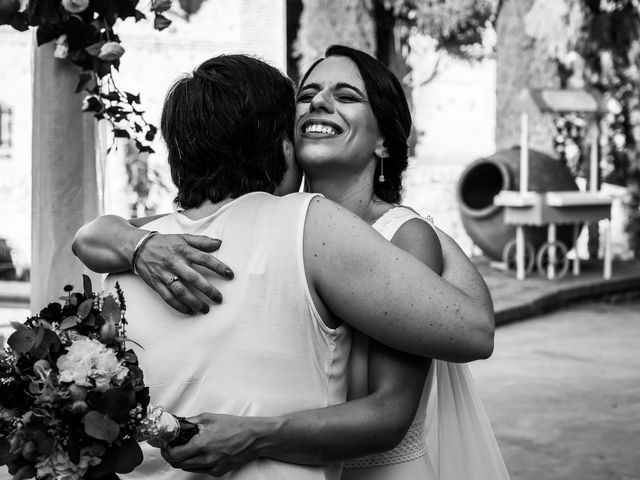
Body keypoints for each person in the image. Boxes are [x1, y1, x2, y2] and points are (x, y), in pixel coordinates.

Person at [73, 53, 494, 480]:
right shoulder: (173, 242)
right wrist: (134, 243)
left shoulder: (381, 231)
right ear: (283, 143)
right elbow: (97, 235)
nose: (318, 104)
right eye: (306, 96)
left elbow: (462, 343)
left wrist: (425, 227)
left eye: (346, 96)